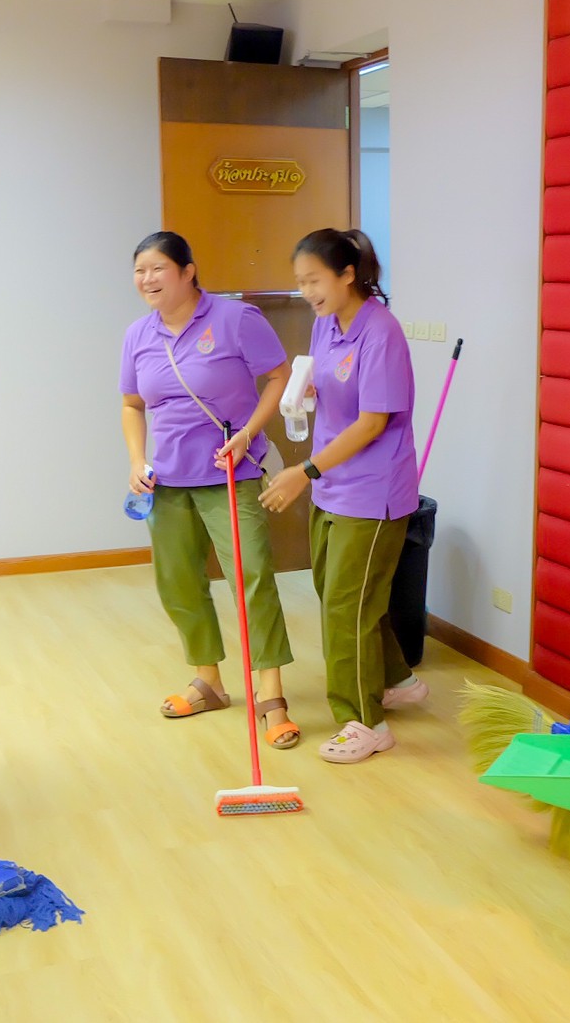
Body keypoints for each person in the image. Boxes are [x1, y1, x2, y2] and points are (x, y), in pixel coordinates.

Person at [120, 232, 299, 748]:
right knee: (178, 582)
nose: (147, 279)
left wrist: (247, 434)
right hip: (167, 481)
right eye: (139, 271)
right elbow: (132, 404)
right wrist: (136, 460)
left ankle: (271, 694)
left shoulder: (235, 318)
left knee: (252, 577)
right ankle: (209, 682)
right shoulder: (138, 334)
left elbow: (279, 377)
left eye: (158, 268)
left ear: (187, 271)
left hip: (230, 474)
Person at [260, 229, 419, 764]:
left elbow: (373, 422)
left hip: (373, 492)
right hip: (333, 484)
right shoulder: (326, 323)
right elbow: (334, 384)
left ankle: (364, 722)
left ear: (348, 274)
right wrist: (310, 389)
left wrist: (303, 472)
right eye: (300, 282)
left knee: (348, 607)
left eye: (314, 280)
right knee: (339, 594)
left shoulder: (382, 332)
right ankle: (397, 679)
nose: (307, 292)